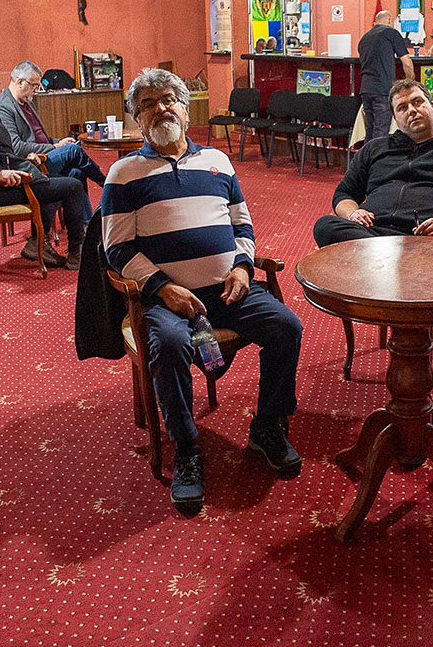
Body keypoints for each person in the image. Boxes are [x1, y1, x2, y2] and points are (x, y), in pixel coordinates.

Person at [101, 67, 303, 512]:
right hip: (167, 300)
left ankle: (267, 426)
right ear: (137, 118)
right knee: (171, 345)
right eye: (148, 104)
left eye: (169, 99)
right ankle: (187, 448)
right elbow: (117, 249)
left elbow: (242, 225)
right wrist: (163, 288)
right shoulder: (123, 173)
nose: (161, 108)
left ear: (185, 107)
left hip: (227, 290)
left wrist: (243, 268)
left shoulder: (218, 161)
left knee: (286, 326)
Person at [0, 65, 91, 270]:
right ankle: (77, 252)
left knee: (63, 177)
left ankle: (40, 243)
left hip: (8, 180)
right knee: (73, 186)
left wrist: (23, 160)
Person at [313, 78, 433, 247]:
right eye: (402, 108)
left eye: (417, 102)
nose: (411, 110)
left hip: (424, 238)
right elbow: (343, 194)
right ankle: (390, 255)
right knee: (325, 226)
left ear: (432, 106)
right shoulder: (374, 148)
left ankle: (383, 257)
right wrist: (353, 213)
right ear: (395, 118)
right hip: (372, 232)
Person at [0, 62, 105, 187]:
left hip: (46, 153)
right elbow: (16, 147)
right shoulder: (4, 107)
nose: (36, 91)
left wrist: (59, 141)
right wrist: (55, 146)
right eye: (34, 86)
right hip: (33, 162)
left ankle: (103, 194)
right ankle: (106, 184)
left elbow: (40, 137)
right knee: (73, 150)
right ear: (20, 82)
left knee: (77, 173)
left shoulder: (28, 102)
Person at [357, 10, 414, 141]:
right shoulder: (391, 32)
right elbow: (407, 63)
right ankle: (379, 155)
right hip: (382, 89)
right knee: (381, 132)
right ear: (389, 20)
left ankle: (368, 154)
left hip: (365, 89)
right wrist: (410, 82)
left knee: (370, 130)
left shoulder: (364, 38)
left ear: (375, 22)